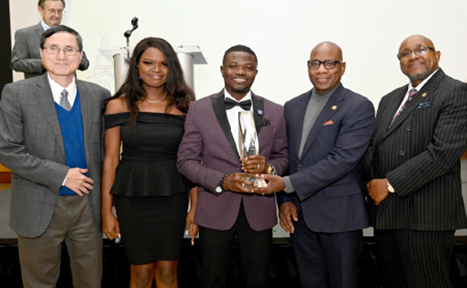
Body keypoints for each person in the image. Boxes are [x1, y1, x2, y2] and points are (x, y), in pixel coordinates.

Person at [255, 42, 375, 288]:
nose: (322, 70)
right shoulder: (292, 106)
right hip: (300, 217)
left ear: (342, 68)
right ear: (308, 67)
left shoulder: (358, 106)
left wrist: (286, 185)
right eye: (315, 63)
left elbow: (343, 160)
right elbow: (286, 156)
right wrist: (286, 201)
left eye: (330, 63)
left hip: (340, 217)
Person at [0, 25, 109, 287]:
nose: (62, 55)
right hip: (37, 204)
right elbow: (8, 150)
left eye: (69, 49)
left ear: (80, 55)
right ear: (41, 53)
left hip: (88, 207)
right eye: (53, 48)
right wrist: (61, 176)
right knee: (39, 283)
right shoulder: (17, 93)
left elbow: (107, 153)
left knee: (91, 281)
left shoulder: (99, 96)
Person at [177, 45, 288, 288]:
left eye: (248, 68)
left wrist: (268, 168)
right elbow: (185, 161)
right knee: (212, 280)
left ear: (255, 73)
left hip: (258, 211)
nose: (241, 72)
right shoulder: (199, 109)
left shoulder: (276, 111)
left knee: (258, 280)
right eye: (233, 66)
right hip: (215, 210)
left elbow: (283, 157)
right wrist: (222, 180)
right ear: (222, 70)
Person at [365, 34, 467, 288]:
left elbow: (442, 153)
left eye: (420, 49)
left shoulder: (456, 91)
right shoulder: (389, 99)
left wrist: (388, 184)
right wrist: (370, 181)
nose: (413, 56)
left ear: (437, 55)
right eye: (405, 53)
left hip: (426, 217)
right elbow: (374, 147)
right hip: (387, 214)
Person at [101, 37, 197, 288]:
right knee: (141, 274)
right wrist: (106, 211)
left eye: (164, 64)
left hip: (172, 196)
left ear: (172, 68)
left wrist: (195, 207)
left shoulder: (186, 107)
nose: (156, 69)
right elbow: (111, 161)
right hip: (132, 198)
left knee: (167, 272)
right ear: (136, 66)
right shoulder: (117, 106)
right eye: (148, 62)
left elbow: (193, 161)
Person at [11, 0, 89, 79]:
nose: (56, 15)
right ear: (40, 10)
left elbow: (84, 63)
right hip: (37, 88)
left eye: (59, 11)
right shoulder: (25, 34)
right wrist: (44, 63)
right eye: (52, 11)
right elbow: (16, 63)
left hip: (68, 88)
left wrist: (68, 60)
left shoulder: (71, 35)